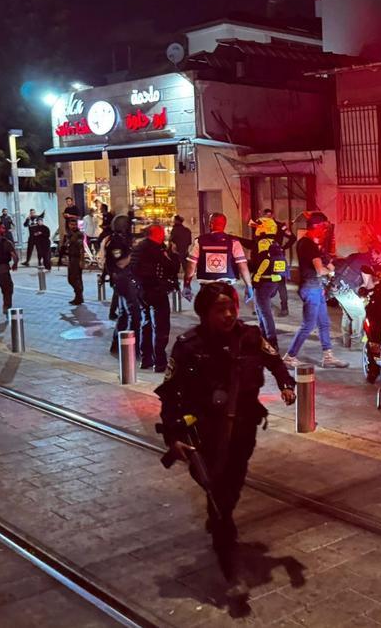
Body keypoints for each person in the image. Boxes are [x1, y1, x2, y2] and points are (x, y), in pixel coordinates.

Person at [155, 282, 296, 600]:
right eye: (220, 309)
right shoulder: (188, 345)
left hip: (244, 426)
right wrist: (173, 435)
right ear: (205, 313)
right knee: (218, 491)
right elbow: (169, 393)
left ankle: (221, 516)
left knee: (232, 481)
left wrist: (286, 384)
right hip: (205, 429)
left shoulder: (250, 337)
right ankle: (228, 556)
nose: (229, 314)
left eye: (232, 306)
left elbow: (274, 360)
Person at [283, 212, 347, 369]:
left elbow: (326, 263)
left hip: (315, 288)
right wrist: (330, 272)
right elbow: (320, 270)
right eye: (324, 228)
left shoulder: (312, 244)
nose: (325, 231)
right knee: (309, 325)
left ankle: (328, 356)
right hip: (311, 287)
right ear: (317, 227)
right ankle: (290, 357)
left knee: (324, 323)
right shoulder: (307, 244)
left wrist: (330, 265)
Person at [132, 225, 178, 372]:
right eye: (162, 232)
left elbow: (133, 268)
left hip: (141, 291)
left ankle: (145, 359)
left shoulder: (139, 247)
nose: (164, 235)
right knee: (161, 327)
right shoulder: (156, 249)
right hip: (156, 291)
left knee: (146, 324)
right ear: (156, 234)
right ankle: (159, 362)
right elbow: (170, 267)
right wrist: (174, 254)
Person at [183, 213, 253, 299]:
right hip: (227, 287)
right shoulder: (234, 242)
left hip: (206, 287)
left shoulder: (200, 241)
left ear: (210, 224)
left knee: (207, 310)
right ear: (224, 225)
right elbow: (242, 266)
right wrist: (249, 286)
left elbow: (191, 265)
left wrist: (186, 285)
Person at [247, 217, 289, 353]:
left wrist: (257, 276)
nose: (256, 229)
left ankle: (271, 342)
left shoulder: (263, 243)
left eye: (258, 226)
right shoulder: (273, 242)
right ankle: (264, 340)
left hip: (264, 282)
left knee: (264, 313)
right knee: (260, 310)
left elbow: (264, 261)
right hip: (273, 282)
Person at [102, 216, 139, 353]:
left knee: (123, 314)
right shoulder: (115, 242)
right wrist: (133, 254)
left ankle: (117, 345)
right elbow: (120, 262)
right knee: (133, 313)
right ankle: (129, 346)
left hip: (122, 279)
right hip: (122, 280)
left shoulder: (120, 240)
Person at [57, 219, 88, 305]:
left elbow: (82, 249)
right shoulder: (68, 235)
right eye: (71, 224)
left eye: (75, 224)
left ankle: (79, 296)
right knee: (71, 279)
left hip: (76, 258)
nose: (73, 226)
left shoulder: (78, 235)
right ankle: (78, 295)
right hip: (70, 258)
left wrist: (82, 261)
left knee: (75, 278)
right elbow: (64, 247)